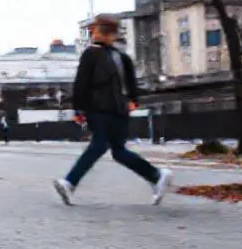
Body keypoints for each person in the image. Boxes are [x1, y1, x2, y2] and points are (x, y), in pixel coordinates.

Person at [54, 14, 172, 206]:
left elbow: (82, 83)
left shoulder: (91, 54)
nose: (92, 33)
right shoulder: (122, 56)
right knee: (118, 151)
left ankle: (69, 182)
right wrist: (133, 101)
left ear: (103, 32)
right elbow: (132, 85)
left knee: (99, 144)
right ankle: (157, 176)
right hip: (120, 110)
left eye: (95, 30)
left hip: (99, 109)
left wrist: (78, 109)